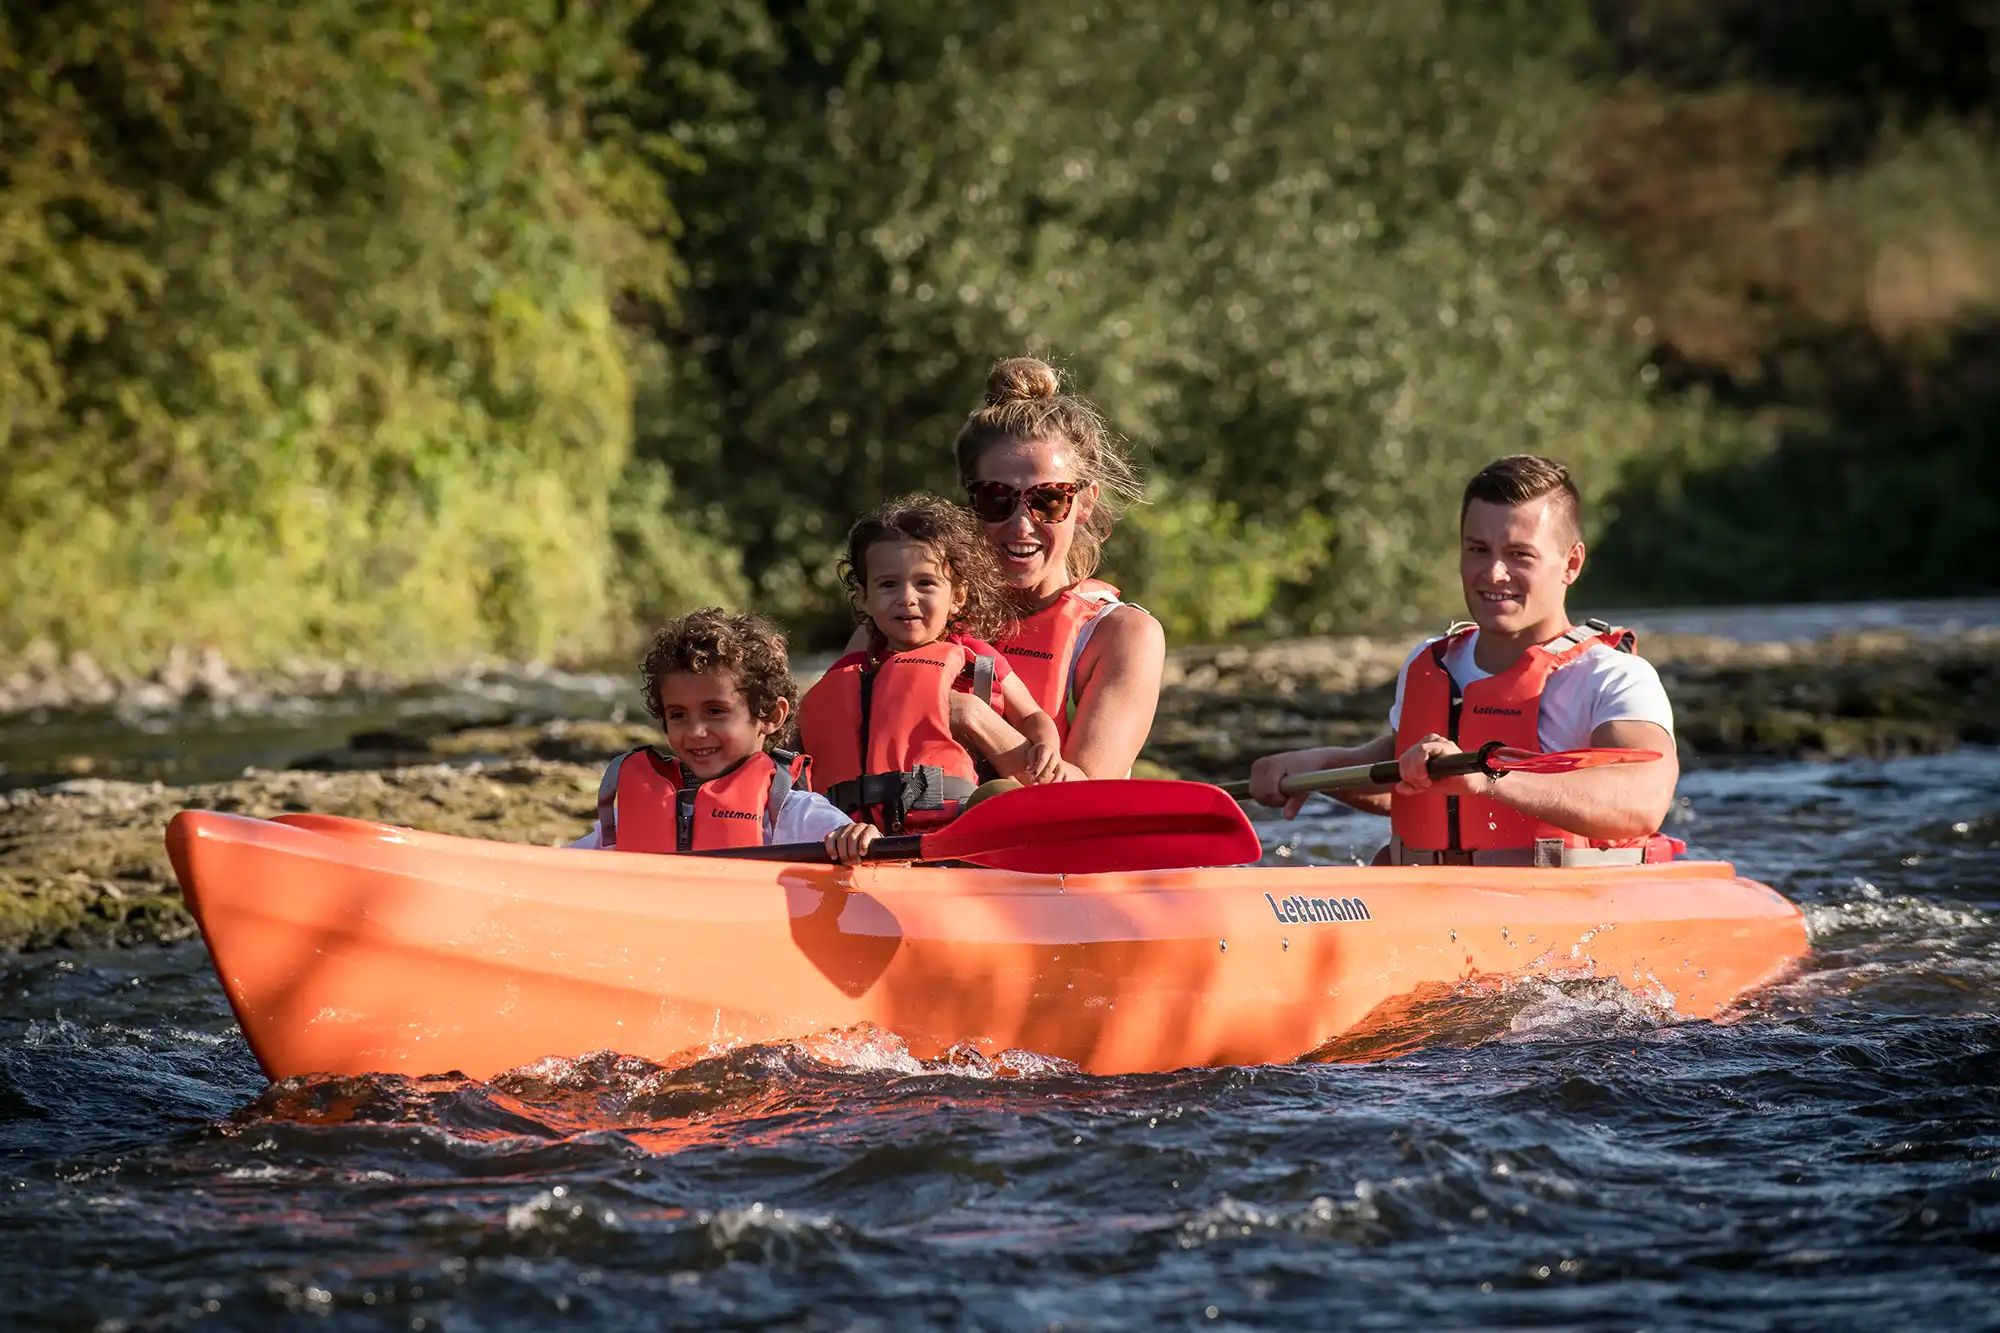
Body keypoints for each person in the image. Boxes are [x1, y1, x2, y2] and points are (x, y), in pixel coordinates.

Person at [1248, 455, 1681, 866]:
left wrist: (1487, 778)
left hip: (1556, 909)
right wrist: (1316, 767)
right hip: (1431, 902)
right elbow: (1405, 781)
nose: (1494, 573)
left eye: (1519, 555)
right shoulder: (1431, 661)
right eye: (1478, 550)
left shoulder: (1616, 678)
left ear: (1571, 563)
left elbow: (1642, 801)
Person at [952, 356, 1166, 778]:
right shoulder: (914, 609)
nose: (1021, 524)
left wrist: (973, 717)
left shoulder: (1121, 635)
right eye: (997, 498)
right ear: (972, 501)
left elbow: (1085, 801)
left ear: (1083, 503)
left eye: (1048, 499)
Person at [800, 494, 1064, 833]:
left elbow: (1031, 714)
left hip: (951, 830)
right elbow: (802, 747)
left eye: (925, 583)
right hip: (857, 838)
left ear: (957, 596)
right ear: (864, 599)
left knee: (1002, 797)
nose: (907, 597)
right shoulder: (847, 673)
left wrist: (1047, 744)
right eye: (888, 585)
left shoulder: (977, 659)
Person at [573, 609, 876, 863]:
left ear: (771, 715)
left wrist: (859, 838)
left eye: (715, 711)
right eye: (678, 715)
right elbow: (561, 866)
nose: (695, 731)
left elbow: (863, 851)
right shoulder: (628, 817)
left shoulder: (793, 813)